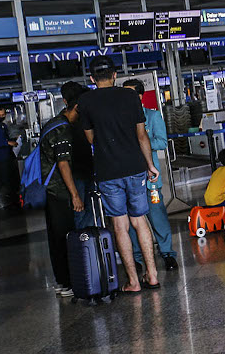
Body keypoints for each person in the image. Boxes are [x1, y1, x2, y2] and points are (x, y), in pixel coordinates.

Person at [80, 56, 160, 293]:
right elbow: (142, 135)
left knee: (120, 224)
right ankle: (153, 275)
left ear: (92, 78)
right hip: (135, 167)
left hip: (108, 171)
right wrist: (150, 165)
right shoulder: (128, 95)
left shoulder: (86, 101)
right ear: (115, 75)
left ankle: (133, 282)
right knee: (140, 220)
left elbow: (91, 138)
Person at [123, 79, 178, 272]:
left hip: (150, 179)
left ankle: (168, 254)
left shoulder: (153, 117)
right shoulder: (121, 119)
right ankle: (137, 258)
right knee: (132, 220)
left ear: (140, 96)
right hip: (130, 178)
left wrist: (141, 142)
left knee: (157, 216)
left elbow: (162, 142)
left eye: (130, 94)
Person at [38, 94, 86, 298]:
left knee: (55, 238)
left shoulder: (51, 123)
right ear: (75, 107)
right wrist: (75, 195)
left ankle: (61, 281)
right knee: (65, 236)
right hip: (59, 190)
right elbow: (63, 163)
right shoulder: (63, 129)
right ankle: (68, 282)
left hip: (49, 189)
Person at [59, 82, 95, 229]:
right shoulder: (86, 118)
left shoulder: (61, 122)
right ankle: (90, 243)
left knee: (80, 210)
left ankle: (84, 244)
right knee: (93, 209)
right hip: (90, 170)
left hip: (75, 173)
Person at [0, 104, 19, 210]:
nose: (1, 117)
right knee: (2, 179)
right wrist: (7, 142)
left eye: (3, 115)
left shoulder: (3, 126)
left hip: (5, 156)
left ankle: (11, 198)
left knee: (6, 178)